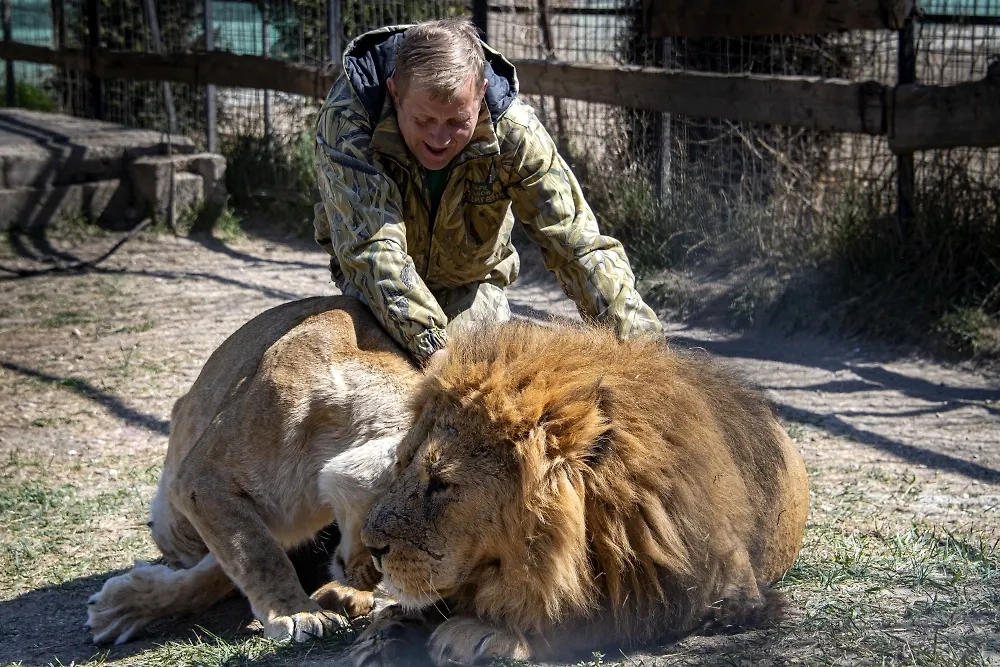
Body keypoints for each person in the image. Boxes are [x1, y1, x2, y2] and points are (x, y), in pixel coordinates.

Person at [313, 17, 662, 367]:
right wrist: (432, 349)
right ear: (395, 92)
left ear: (480, 93)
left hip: (472, 284)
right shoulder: (350, 121)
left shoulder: (515, 133)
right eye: (423, 120)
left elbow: (576, 243)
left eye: (457, 121)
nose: (439, 138)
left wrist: (645, 353)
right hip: (375, 281)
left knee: (480, 377)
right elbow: (370, 246)